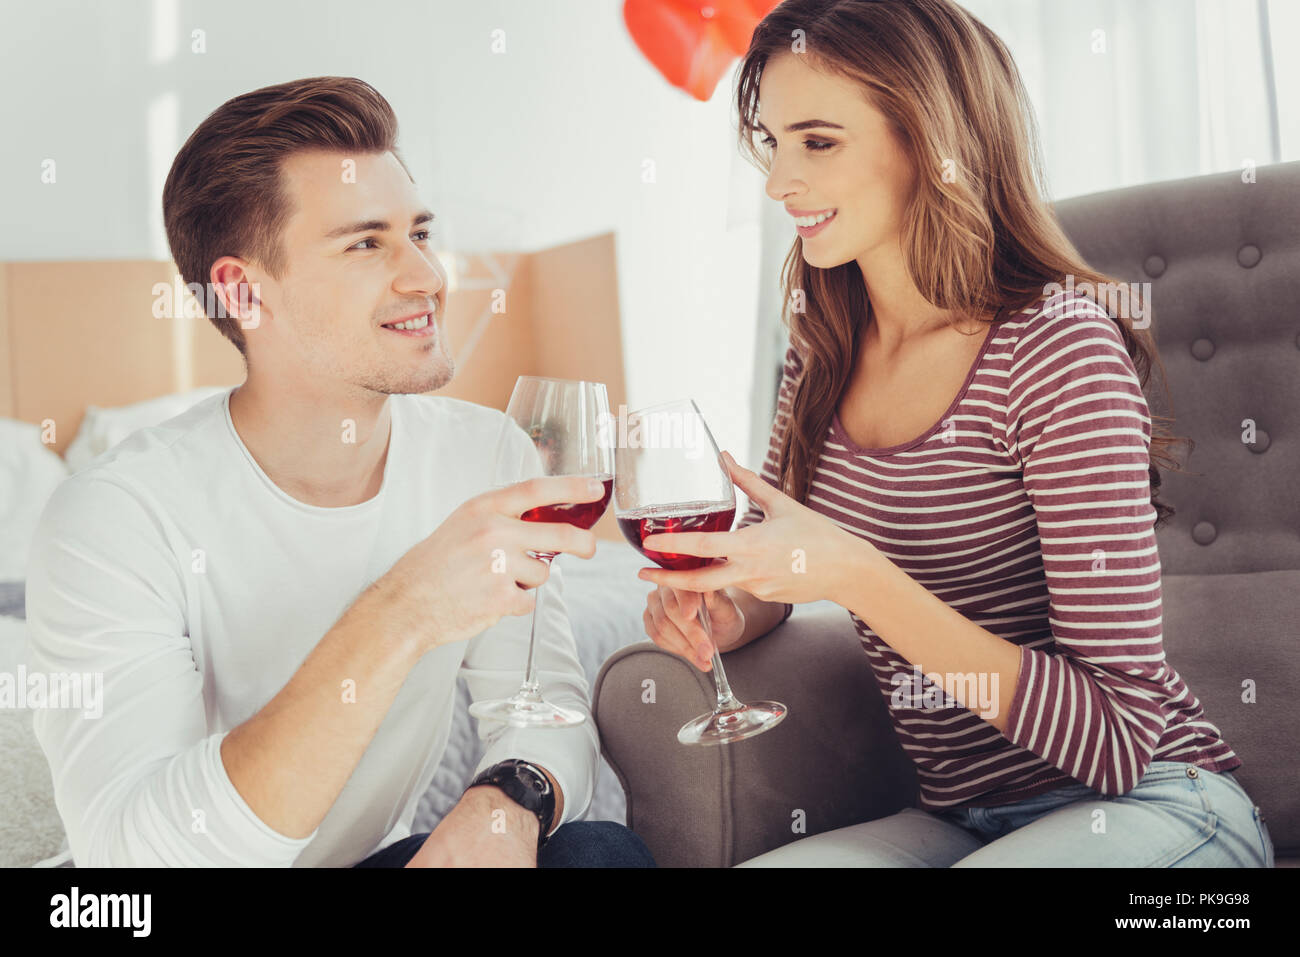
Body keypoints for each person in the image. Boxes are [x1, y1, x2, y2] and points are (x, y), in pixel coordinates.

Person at [637, 0, 1273, 868]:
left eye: (818, 142)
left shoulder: (1057, 345)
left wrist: (861, 576)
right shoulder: (822, 342)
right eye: (772, 141)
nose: (778, 182)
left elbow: (1120, 734)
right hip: (957, 815)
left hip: (1154, 800)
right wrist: (724, 608)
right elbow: (779, 562)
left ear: (931, 141)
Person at [27, 76, 653, 868]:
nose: (427, 275)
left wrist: (509, 798)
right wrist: (402, 610)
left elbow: (543, 702)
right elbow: (138, 858)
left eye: (420, 231)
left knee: (598, 853)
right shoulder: (112, 518)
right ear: (243, 290)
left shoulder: (484, 455)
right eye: (366, 242)